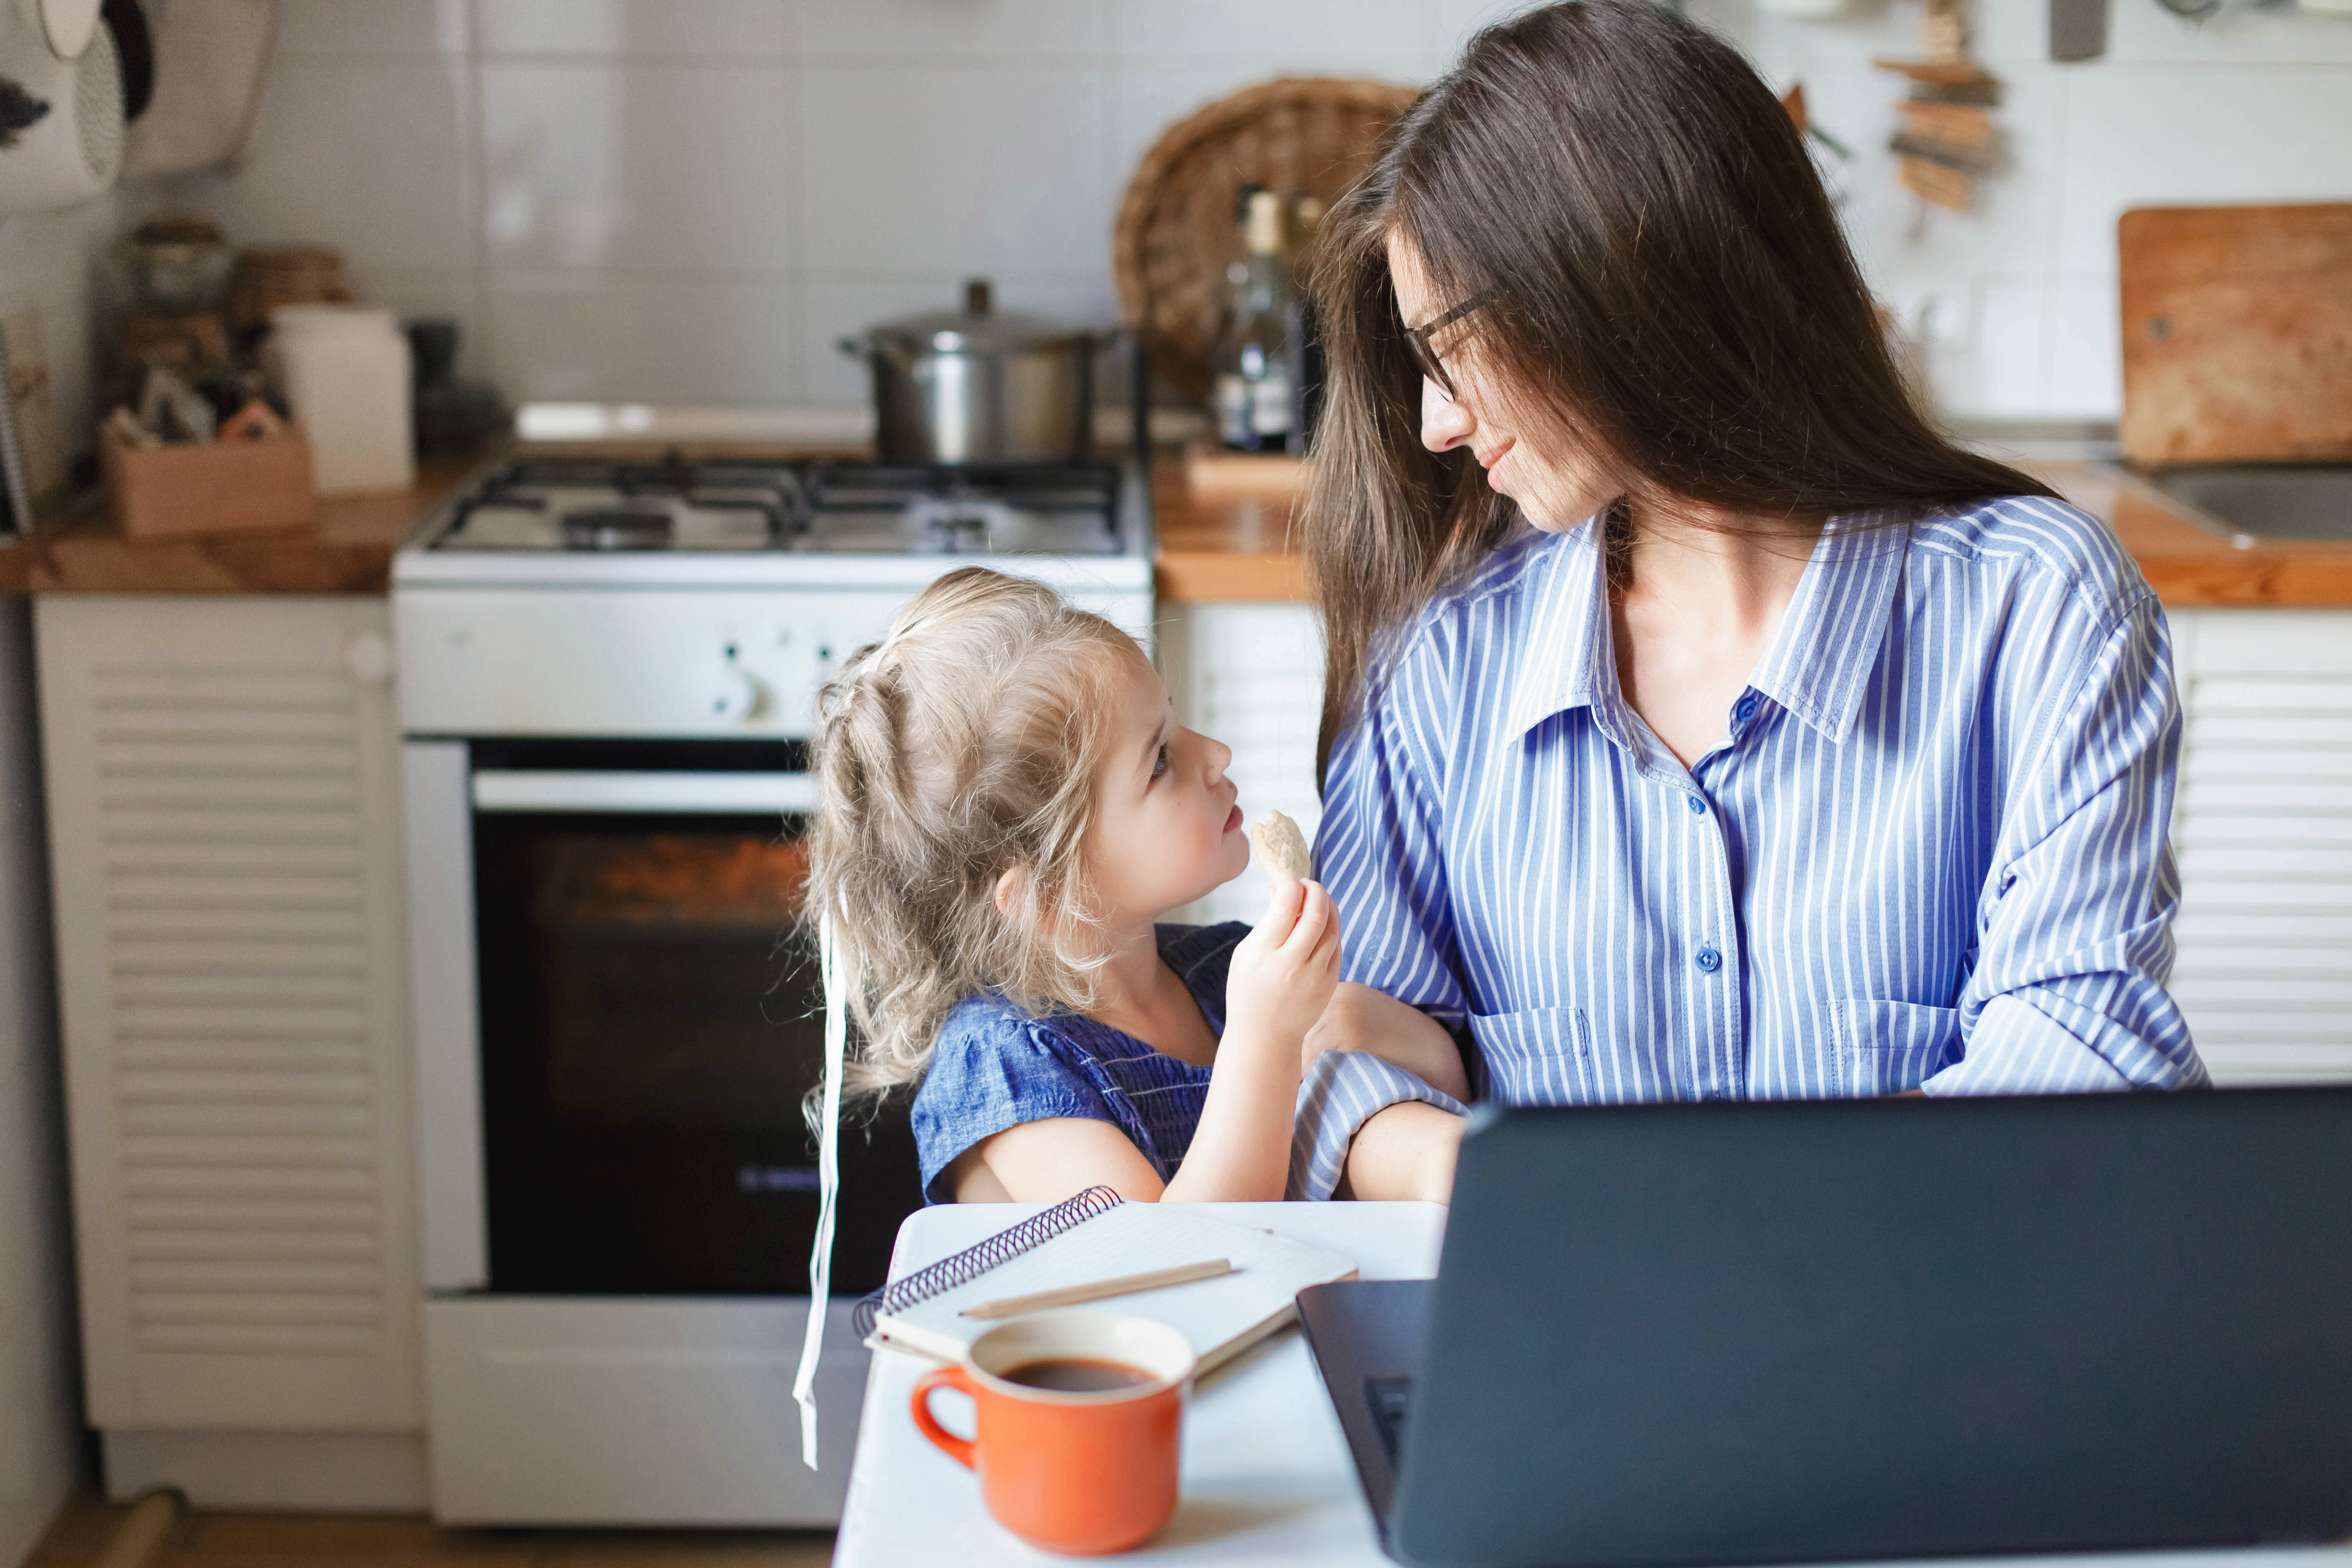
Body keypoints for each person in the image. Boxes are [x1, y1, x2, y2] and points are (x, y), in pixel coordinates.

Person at [1288, 0, 2208, 1202]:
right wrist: (1613, 1208)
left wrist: (1678, 1213)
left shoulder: (2038, 609)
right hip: (1558, 1348)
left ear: (1622, 282)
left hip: (1938, 1343)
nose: (1437, 422)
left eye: (1453, 346)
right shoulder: (1442, 658)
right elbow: (1338, 1060)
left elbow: (2088, 1062)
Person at [803, 567, 1464, 1207]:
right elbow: (1168, 1265)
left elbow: (1444, 1089)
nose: (1215, 755)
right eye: (1159, 761)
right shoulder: (1006, 1066)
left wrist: (1369, 1023)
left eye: (1173, 721)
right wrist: (1265, 1040)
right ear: (1048, 892)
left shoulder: (1220, 973)